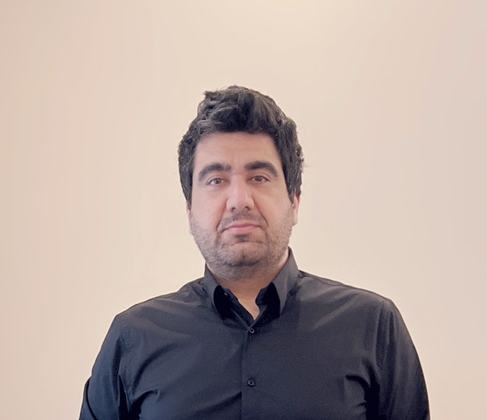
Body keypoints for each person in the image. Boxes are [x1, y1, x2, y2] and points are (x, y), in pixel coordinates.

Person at [79, 86, 429, 420]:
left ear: (294, 201)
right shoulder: (134, 337)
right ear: (189, 211)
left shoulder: (372, 326)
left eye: (259, 177)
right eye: (216, 180)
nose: (239, 200)